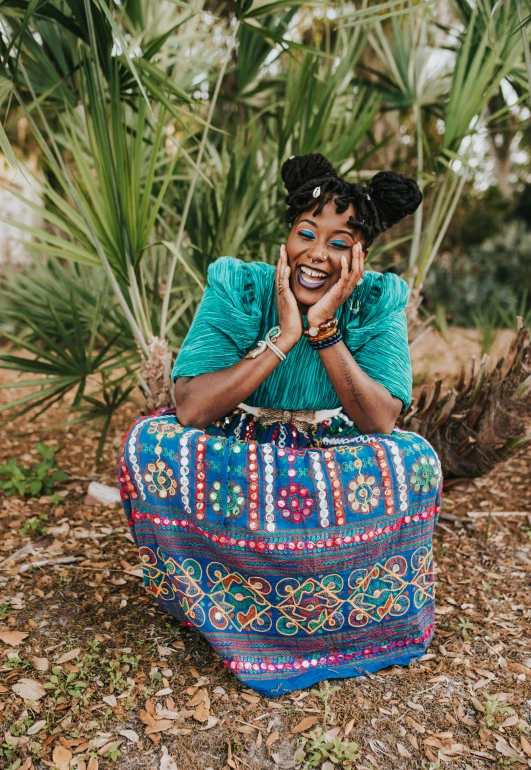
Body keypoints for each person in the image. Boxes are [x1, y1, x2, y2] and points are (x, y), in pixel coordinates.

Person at [119, 153, 442, 697]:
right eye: (307, 234)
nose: (317, 255)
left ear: (360, 255)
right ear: (287, 237)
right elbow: (193, 408)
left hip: (329, 452)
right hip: (239, 445)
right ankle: (216, 599)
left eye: (339, 243)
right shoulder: (237, 284)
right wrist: (284, 336)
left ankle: (343, 613)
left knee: (412, 460)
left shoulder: (378, 299)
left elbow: (381, 420)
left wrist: (323, 331)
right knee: (149, 443)